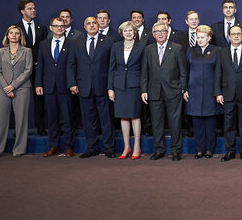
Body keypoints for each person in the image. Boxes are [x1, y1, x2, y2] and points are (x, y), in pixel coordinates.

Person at [68, 16, 116, 158]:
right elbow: (71, 64)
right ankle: (92, 147)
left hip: (103, 87)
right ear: (84, 26)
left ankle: (109, 148)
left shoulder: (109, 41)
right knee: (88, 120)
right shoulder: (77, 42)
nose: (92, 25)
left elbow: (112, 66)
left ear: (98, 25)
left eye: (94, 23)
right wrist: (72, 83)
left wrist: (110, 86)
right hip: (84, 87)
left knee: (106, 120)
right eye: (88, 23)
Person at [141, 22, 188, 161]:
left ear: (167, 33)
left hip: (173, 91)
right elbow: (144, 72)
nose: (160, 33)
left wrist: (182, 88)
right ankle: (159, 149)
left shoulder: (177, 48)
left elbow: (183, 71)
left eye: (163, 31)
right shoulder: (148, 49)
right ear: (153, 34)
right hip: (154, 91)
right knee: (157, 123)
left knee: (175, 123)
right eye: (157, 31)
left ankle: (175, 150)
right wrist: (144, 90)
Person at [0, 25, 33, 158]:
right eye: (11, 33)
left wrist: (13, 86)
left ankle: (19, 149)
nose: (14, 35)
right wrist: (6, 87)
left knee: (21, 120)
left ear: (20, 36)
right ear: (7, 36)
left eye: (17, 33)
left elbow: (28, 70)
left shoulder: (27, 51)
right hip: (3, 89)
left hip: (22, 89)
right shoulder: (0, 51)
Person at [215, 25, 242, 162]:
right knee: (228, 124)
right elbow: (218, 74)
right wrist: (218, 93)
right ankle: (230, 151)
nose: (236, 36)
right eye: (233, 34)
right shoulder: (222, 52)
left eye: (238, 34)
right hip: (227, 93)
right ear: (229, 36)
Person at [35, 17, 75, 157]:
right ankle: (54, 146)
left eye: (61, 26)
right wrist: (38, 84)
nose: (59, 28)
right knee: (51, 118)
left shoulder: (72, 44)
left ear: (65, 28)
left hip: (65, 86)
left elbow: (73, 66)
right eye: (56, 26)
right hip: (48, 86)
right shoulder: (43, 44)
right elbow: (40, 66)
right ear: (51, 28)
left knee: (68, 118)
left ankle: (69, 147)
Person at [108, 21, 145, 160]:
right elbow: (111, 68)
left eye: (131, 30)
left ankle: (136, 147)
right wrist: (110, 88)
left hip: (134, 85)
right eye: (126, 31)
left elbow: (144, 69)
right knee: (123, 116)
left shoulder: (141, 47)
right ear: (121, 33)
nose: (128, 33)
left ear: (134, 32)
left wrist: (144, 88)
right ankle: (126, 147)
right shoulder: (115, 46)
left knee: (135, 115)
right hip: (119, 85)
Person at [184, 25, 221, 159]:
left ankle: (209, 149)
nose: (200, 40)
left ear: (209, 38)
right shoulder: (190, 51)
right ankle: (199, 149)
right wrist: (184, 89)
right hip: (194, 90)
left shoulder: (217, 50)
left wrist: (218, 91)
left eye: (202, 37)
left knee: (210, 121)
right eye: (198, 37)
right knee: (197, 121)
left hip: (211, 91)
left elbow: (219, 72)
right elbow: (185, 71)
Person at [13, 0, 48, 136]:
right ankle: (20, 129)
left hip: (38, 69)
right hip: (21, 70)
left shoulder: (41, 27)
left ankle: (41, 127)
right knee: (20, 100)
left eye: (34, 8)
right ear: (22, 11)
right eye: (29, 8)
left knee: (39, 99)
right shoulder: (15, 28)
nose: (33, 11)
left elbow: (45, 49)